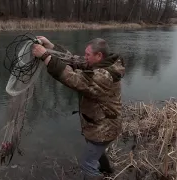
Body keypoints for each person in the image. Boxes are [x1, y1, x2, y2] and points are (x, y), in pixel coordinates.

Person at [32, 36, 125, 180]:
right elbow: (74, 61)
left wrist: (45, 56)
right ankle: (108, 172)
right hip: (101, 125)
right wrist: (51, 47)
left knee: (87, 163)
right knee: (96, 153)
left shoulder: (104, 76)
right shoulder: (100, 64)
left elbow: (75, 79)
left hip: (104, 128)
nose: (85, 57)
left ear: (98, 55)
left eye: (88, 54)